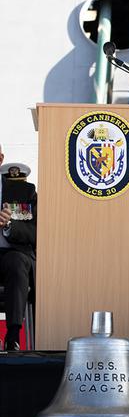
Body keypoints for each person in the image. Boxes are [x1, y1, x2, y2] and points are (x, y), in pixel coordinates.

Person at [0, 145, 36, 352]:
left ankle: (13, 336)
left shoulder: (24, 191)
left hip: (13, 254)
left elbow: (35, 233)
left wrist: (9, 225)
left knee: (15, 262)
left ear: (1, 158)